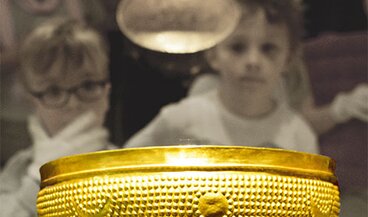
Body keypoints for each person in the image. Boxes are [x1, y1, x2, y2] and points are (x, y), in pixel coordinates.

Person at [124, 0, 318, 154]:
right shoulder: (180, 120)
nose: (253, 61)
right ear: (212, 53)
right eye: (237, 47)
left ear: (289, 58)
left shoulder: (299, 137)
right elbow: (124, 167)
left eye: (269, 48)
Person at [0, 18, 115, 216]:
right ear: (33, 101)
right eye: (54, 91)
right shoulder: (18, 172)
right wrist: (42, 177)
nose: (72, 103)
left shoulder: (132, 169)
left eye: (87, 86)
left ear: (106, 94)